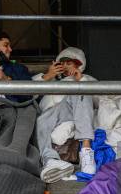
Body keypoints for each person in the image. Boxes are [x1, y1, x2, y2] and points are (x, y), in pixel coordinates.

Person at [33, 47, 98, 183]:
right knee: (40, 121)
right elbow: (27, 93)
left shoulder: (86, 78)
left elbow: (98, 101)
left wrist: (81, 80)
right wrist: (47, 76)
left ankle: (86, 152)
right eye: (62, 63)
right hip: (50, 114)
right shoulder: (49, 78)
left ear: (78, 65)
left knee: (80, 90)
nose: (65, 66)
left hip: (73, 109)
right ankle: (51, 161)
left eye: (69, 63)